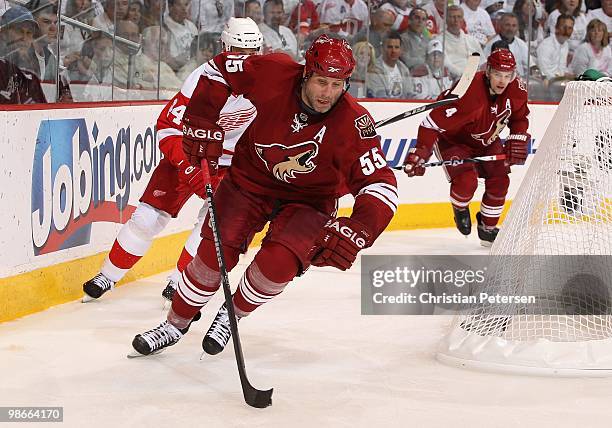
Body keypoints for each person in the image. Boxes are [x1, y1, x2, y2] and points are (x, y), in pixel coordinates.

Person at [130, 34, 398, 356]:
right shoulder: (273, 71)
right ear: (306, 74)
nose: (328, 94)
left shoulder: (355, 123)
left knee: (278, 263)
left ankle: (232, 315)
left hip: (310, 201)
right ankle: (174, 325)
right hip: (249, 181)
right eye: (322, 82)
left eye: (337, 85)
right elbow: (218, 71)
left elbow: (380, 184)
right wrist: (203, 115)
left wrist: (360, 229)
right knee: (213, 257)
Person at [81, 18, 264, 302]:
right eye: (239, 51)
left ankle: (180, 281)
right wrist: (190, 167)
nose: (245, 59)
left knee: (211, 225)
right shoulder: (204, 79)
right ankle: (108, 275)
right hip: (189, 154)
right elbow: (168, 127)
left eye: (252, 53)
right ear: (224, 47)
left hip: (232, 166)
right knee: (146, 218)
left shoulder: (269, 81)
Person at [403, 49, 529, 246]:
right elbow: (430, 123)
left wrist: (517, 138)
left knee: (500, 181)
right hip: (454, 141)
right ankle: (460, 207)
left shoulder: (517, 90)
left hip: (487, 141)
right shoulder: (468, 93)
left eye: (507, 76)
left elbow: (520, 118)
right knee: (466, 182)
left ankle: (487, 229)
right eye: (497, 74)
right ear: (487, 71)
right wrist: (420, 152)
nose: (502, 81)